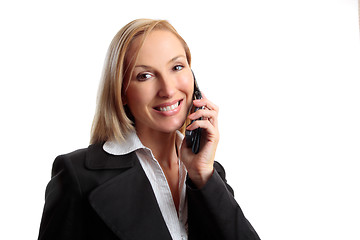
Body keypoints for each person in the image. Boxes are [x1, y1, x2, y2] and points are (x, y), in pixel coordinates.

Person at [37, 18, 261, 240]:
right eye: (145, 75)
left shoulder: (210, 174)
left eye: (177, 67)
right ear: (121, 91)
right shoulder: (77, 176)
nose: (168, 89)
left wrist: (203, 176)